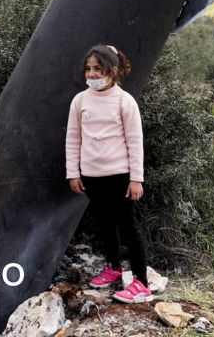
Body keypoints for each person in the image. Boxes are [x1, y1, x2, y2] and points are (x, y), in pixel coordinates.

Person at [65, 44, 152, 304]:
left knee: (128, 227)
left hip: (121, 177)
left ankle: (141, 283)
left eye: (98, 69)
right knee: (104, 224)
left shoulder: (125, 101)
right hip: (91, 177)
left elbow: (135, 142)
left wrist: (136, 179)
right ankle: (114, 267)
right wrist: (73, 173)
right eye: (88, 69)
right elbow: (73, 138)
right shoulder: (80, 100)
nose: (92, 74)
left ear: (112, 71)